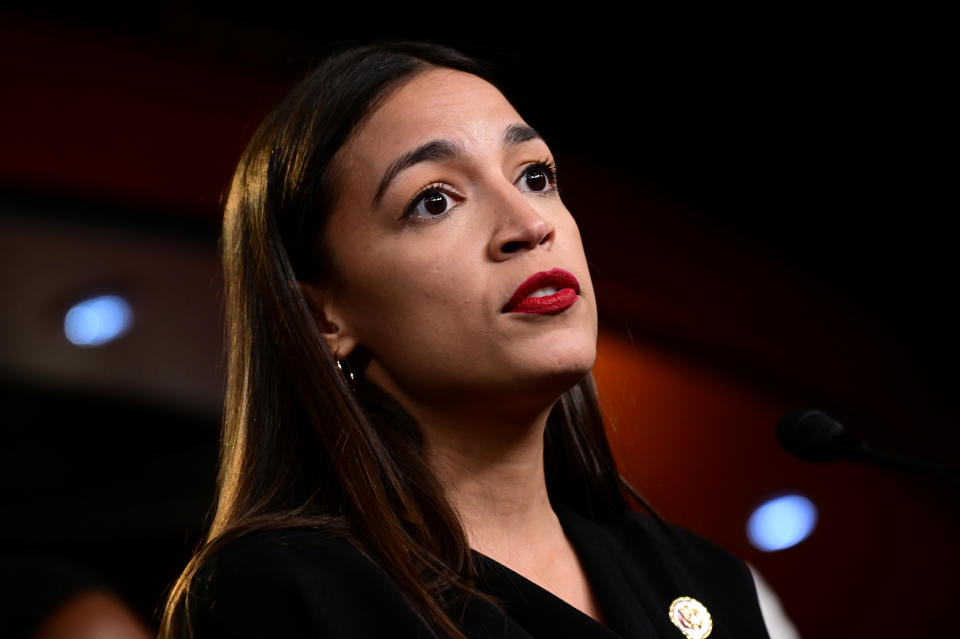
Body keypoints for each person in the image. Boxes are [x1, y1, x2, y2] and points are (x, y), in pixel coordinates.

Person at [159, 41, 770, 639]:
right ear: (322, 318)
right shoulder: (282, 590)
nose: (529, 226)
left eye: (535, 176)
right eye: (434, 201)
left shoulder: (705, 578)